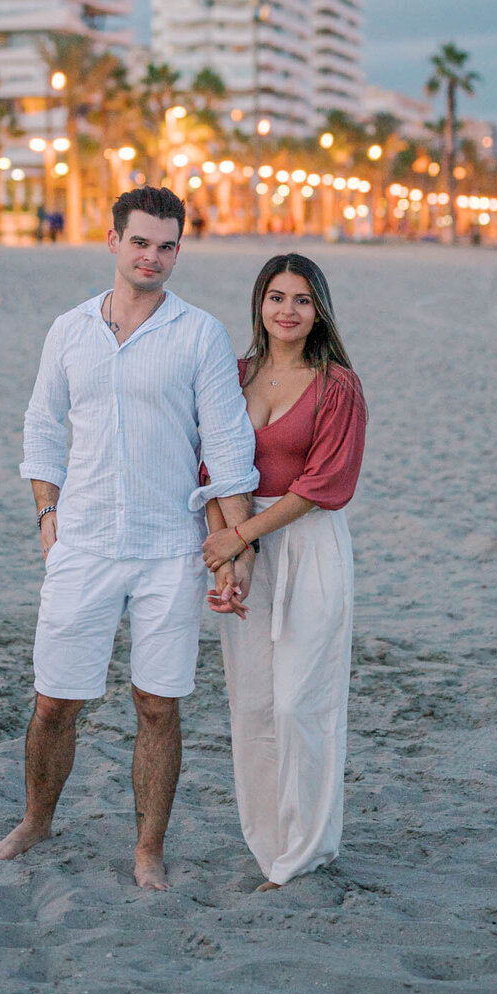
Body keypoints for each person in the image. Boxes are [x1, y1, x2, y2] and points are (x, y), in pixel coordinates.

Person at [0, 185, 258, 888]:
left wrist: (238, 545)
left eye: (166, 246)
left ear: (178, 251)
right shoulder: (70, 329)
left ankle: (147, 849)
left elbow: (227, 446)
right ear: (113, 241)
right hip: (83, 542)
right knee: (55, 700)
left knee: (157, 705)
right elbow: (42, 424)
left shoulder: (199, 334)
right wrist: (46, 515)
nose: (151, 257)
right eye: (139, 242)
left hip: (171, 547)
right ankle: (36, 820)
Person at [202, 253, 366, 889]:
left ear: (319, 310)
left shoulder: (337, 386)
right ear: (260, 304)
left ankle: (307, 848)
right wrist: (229, 554)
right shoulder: (234, 374)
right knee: (253, 706)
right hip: (239, 535)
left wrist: (241, 537)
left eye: (302, 299)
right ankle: (270, 846)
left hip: (309, 544)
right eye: (277, 297)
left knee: (302, 703)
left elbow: (323, 484)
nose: (288, 310)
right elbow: (211, 465)